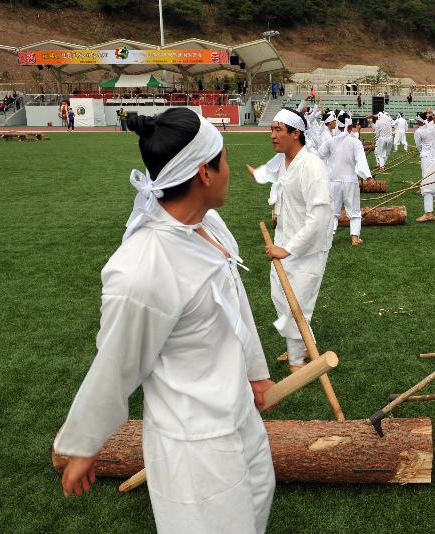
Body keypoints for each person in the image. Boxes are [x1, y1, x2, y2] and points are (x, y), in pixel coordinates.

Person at [54, 108, 276, 533]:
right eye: (224, 159)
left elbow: (233, 301)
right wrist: (85, 446)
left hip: (241, 418)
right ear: (204, 173)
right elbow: (115, 365)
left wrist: (255, 373)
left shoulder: (209, 225)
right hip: (194, 447)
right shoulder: (142, 269)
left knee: (255, 514)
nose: (229, 170)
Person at [248, 109, 333, 372]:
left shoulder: (312, 166)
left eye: (278, 130)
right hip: (283, 242)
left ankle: (297, 361)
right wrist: (259, 175)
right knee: (282, 298)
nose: (272, 135)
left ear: (296, 134)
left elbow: (319, 217)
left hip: (307, 247)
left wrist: (289, 248)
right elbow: (272, 173)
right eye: (271, 129)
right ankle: (304, 345)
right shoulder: (283, 160)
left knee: (297, 302)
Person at [317, 112, 373, 246]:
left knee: (333, 211)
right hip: (350, 181)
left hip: (334, 181)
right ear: (350, 126)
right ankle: (354, 237)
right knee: (354, 211)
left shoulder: (330, 141)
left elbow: (319, 155)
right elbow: (361, 161)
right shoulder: (355, 142)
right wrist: (368, 177)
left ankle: (329, 237)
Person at [413, 112, 435, 223]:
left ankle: (428, 213)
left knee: (426, 184)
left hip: (429, 158)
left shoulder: (420, 131)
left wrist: (424, 151)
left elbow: (419, 146)